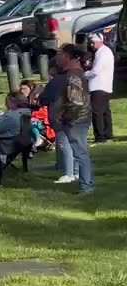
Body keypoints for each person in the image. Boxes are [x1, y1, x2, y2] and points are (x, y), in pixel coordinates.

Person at [52, 43, 94, 193]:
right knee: (80, 152)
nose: (56, 58)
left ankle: (86, 187)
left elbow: (75, 102)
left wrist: (66, 117)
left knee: (80, 153)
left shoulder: (74, 75)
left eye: (59, 54)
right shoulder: (74, 74)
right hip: (78, 118)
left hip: (76, 120)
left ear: (66, 56)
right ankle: (86, 185)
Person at [87, 32, 115, 143]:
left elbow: (95, 71)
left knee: (97, 112)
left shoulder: (102, 53)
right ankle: (108, 133)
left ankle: (100, 136)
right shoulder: (106, 52)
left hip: (98, 86)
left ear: (99, 42)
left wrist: (84, 74)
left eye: (93, 43)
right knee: (105, 111)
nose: (92, 45)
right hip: (106, 85)